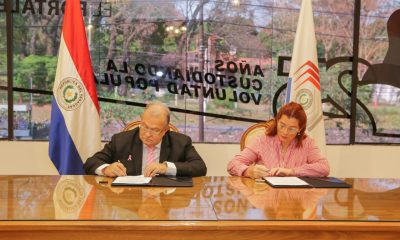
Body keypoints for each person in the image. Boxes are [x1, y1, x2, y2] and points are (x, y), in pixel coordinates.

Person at [84, 101, 207, 177]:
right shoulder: (121, 140)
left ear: (165, 130)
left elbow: (200, 167)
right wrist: (106, 169)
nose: (147, 134)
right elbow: (90, 163)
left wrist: (166, 168)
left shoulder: (181, 142)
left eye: (154, 130)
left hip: (166, 198)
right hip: (130, 198)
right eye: (144, 126)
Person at [227, 102, 329, 179]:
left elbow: (324, 168)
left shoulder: (308, 143)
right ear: (277, 121)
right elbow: (232, 164)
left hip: (296, 200)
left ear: (300, 129)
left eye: (291, 129)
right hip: (266, 198)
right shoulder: (261, 141)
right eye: (282, 125)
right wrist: (248, 171)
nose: (285, 132)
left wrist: (291, 172)